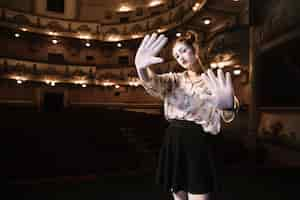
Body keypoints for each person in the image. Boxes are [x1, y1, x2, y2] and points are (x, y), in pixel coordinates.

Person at [134, 31, 239, 200]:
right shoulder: (174, 80)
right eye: (176, 56)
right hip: (174, 139)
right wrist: (141, 69)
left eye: (183, 51)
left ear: (195, 49)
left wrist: (229, 106)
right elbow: (153, 83)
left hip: (199, 141)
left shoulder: (213, 80)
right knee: (178, 197)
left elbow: (227, 114)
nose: (180, 58)